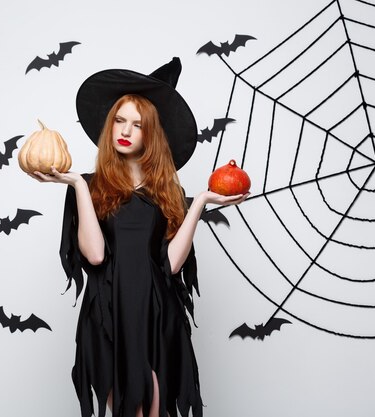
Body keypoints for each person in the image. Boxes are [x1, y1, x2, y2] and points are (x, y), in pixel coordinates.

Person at [29, 57, 247, 417]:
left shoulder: (169, 194)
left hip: (156, 313)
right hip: (108, 315)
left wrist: (201, 202)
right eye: (119, 120)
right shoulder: (88, 187)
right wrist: (77, 186)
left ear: (151, 134)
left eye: (137, 124)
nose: (125, 130)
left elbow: (173, 265)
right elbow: (95, 256)